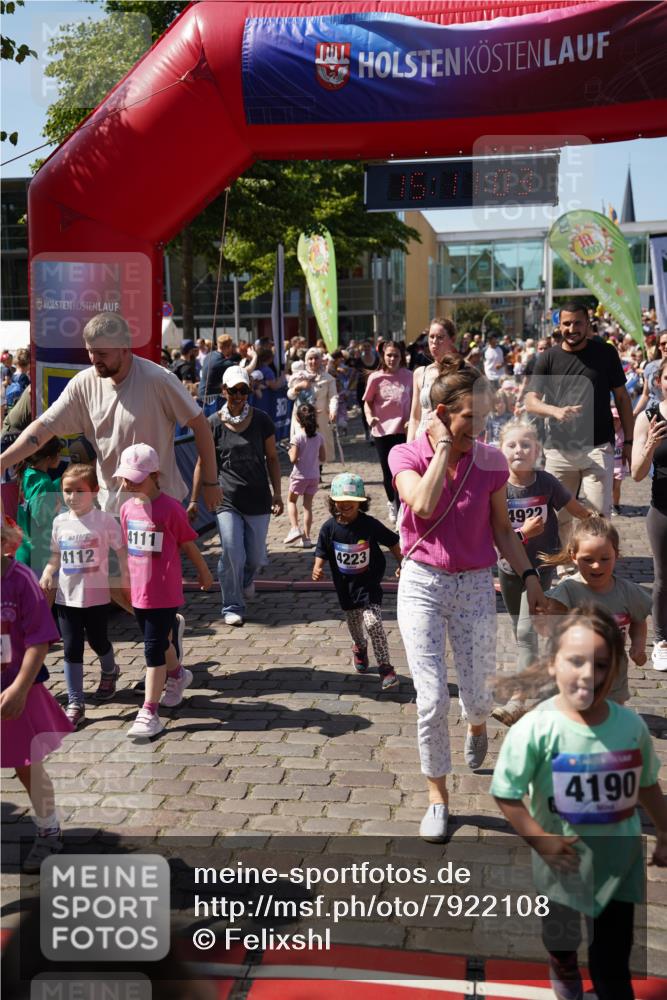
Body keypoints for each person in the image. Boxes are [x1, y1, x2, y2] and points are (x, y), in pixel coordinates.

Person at [389, 357, 546, 842]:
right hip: (422, 584)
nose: (478, 429)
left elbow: (502, 529)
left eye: (484, 418)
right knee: (432, 699)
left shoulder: (491, 461)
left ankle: (477, 724)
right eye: (469, 418)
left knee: (477, 699)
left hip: (476, 584)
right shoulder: (405, 455)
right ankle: (438, 797)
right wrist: (441, 448)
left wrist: (529, 573)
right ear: (441, 413)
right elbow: (422, 504)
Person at [491, 606, 667, 1000]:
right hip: (560, 866)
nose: (587, 674)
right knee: (561, 936)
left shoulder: (630, 727)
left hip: (618, 868)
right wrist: (542, 841)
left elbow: (646, 783)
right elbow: (506, 793)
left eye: (600, 664)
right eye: (575, 661)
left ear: (616, 668)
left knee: (613, 964)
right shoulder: (535, 728)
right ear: (553, 663)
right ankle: (563, 964)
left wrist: (664, 829)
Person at [0, 313, 222, 515]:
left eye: (102, 353)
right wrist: (3, 461)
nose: (94, 359)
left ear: (125, 348)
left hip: (158, 505)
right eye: (90, 351)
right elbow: (43, 428)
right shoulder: (83, 384)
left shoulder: (159, 380)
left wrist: (211, 482)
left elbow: (201, 425)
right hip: (111, 508)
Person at [492, 418, 592, 727]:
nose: (519, 450)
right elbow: (494, 533)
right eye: (511, 445)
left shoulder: (546, 482)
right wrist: (523, 532)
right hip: (508, 567)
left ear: (537, 450)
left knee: (525, 632)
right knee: (519, 628)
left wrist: (594, 522)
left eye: (526, 445)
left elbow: (573, 506)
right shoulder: (497, 486)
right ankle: (539, 673)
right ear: (500, 450)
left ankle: (517, 699)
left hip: (542, 566)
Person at [117, 444, 213, 738]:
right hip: (139, 592)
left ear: (155, 476)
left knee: (152, 648)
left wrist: (204, 571)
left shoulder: (170, 509)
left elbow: (187, 543)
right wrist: (124, 582)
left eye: (135, 479)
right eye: (125, 478)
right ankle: (178, 675)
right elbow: (127, 550)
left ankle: (149, 711)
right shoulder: (126, 509)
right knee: (162, 642)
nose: (128, 484)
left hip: (164, 592)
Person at [1, 513, 73, 872]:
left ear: (4, 543)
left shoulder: (21, 581)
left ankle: (49, 829)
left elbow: (40, 640)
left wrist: (19, 687)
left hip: (16, 691)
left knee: (27, 766)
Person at [524, 301, 634, 528]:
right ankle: (565, 554)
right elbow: (530, 401)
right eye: (566, 324)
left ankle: (596, 552)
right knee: (558, 521)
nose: (572, 329)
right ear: (559, 326)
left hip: (597, 447)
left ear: (587, 324)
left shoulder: (606, 353)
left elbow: (622, 398)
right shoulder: (548, 357)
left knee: (598, 519)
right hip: (559, 450)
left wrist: (629, 441)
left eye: (577, 323)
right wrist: (555, 411)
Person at [190, 366, 283, 627]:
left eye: (244, 390)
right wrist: (194, 499)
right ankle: (232, 605)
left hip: (258, 498)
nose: (239, 395)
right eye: (234, 390)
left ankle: (245, 580)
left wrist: (277, 494)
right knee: (231, 551)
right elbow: (201, 463)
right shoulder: (212, 423)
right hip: (226, 499)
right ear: (224, 391)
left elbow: (272, 458)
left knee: (254, 557)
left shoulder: (262, 420)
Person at [39, 464, 129, 729]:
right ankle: (76, 702)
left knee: (99, 642)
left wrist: (126, 575)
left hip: (97, 597)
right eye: (67, 491)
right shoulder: (60, 522)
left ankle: (110, 670)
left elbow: (121, 550)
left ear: (94, 491)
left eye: (80, 491)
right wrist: (48, 572)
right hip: (67, 599)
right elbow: (56, 555)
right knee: (71, 648)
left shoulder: (104, 521)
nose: (72, 496)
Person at [541, 517, 652, 705]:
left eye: (605, 559)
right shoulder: (568, 590)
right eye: (588, 559)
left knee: (612, 715)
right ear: (574, 556)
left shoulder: (627, 591)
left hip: (613, 675)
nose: (597, 565)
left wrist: (638, 645)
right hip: (575, 674)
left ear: (617, 555)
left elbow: (639, 620)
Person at [312, 473, 402, 691]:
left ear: (361, 502)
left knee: (373, 622)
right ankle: (359, 648)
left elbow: (393, 541)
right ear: (333, 502)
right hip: (345, 587)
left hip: (369, 584)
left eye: (350, 501)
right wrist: (318, 567)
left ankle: (386, 668)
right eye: (340, 501)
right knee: (354, 623)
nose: (345, 504)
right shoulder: (329, 528)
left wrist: (403, 563)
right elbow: (321, 550)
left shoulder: (370, 524)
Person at [631, 357, 667, 670]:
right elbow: (637, 473)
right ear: (659, 381)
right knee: (663, 580)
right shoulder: (649, 417)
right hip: (663, 509)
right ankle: (662, 641)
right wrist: (651, 445)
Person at [363, 340, 413, 523]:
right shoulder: (376, 378)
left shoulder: (410, 376)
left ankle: (403, 508)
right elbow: (367, 402)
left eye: (396, 355)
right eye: (389, 355)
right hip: (382, 431)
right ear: (383, 356)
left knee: (403, 471)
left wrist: (413, 420)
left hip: (404, 431)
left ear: (402, 357)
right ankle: (392, 502)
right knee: (388, 473)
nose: (392, 359)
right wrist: (370, 417)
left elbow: (416, 402)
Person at [15, 437, 62, 578]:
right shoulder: (44, 483)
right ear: (48, 458)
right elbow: (40, 520)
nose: (60, 457)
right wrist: (58, 507)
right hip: (39, 555)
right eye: (58, 453)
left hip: (23, 548)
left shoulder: (27, 473)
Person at [406, 318, 457, 441]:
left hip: (448, 442)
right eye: (431, 337)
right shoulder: (420, 373)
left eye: (440, 337)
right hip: (422, 440)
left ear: (452, 340)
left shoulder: (461, 371)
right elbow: (415, 417)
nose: (434, 342)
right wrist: (409, 447)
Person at [286, 348, 338, 466]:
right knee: (303, 444)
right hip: (301, 418)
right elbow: (290, 395)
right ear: (306, 360)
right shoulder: (299, 376)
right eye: (310, 359)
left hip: (320, 417)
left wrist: (333, 410)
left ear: (320, 360)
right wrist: (298, 387)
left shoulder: (328, 378)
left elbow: (333, 396)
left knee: (319, 446)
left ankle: (317, 470)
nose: (313, 361)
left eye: (316, 358)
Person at [285, 403, 324, 548]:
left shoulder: (297, 438)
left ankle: (295, 528)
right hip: (314, 476)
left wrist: (290, 451)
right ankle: (306, 538)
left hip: (299, 476)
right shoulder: (319, 437)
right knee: (308, 507)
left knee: (291, 501)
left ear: (298, 419)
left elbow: (293, 459)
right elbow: (323, 457)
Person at [633, 330, 667, 416]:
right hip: (651, 413)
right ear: (659, 346)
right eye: (663, 343)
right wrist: (634, 413)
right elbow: (645, 395)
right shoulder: (650, 367)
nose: (666, 346)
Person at [611, 406, 626, 516]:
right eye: (612, 419)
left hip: (619, 467)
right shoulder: (606, 433)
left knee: (616, 488)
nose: (615, 421)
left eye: (617, 419)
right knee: (608, 488)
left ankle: (616, 505)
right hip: (607, 466)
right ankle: (607, 504)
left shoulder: (624, 433)